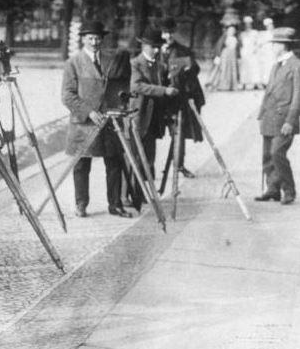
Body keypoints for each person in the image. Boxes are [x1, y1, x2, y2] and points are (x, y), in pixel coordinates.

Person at [62, 20, 132, 218]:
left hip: (109, 121)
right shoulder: (73, 63)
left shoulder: (110, 60)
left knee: (114, 162)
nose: (94, 42)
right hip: (84, 123)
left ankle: (115, 204)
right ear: (83, 39)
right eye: (90, 38)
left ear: (102, 39)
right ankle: (81, 204)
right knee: (82, 165)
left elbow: (119, 85)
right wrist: (89, 111)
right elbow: (67, 95)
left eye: (97, 38)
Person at [255, 27, 300, 205]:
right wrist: (261, 112)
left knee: (277, 153)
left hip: (284, 118)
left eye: (274, 44)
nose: (272, 47)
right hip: (269, 116)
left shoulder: (296, 65)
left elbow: (298, 96)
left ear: (283, 45)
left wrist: (290, 121)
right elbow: (269, 91)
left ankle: (289, 190)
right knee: (267, 155)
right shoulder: (277, 64)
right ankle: (273, 189)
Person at [160, 17, 205, 178]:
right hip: (157, 98)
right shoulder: (154, 49)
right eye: (165, 32)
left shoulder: (183, 50)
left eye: (170, 32)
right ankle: (147, 168)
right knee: (148, 134)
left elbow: (195, 70)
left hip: (177, 99)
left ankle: (179, 165)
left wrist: (188, 68)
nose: (168, 36)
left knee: (178, 132)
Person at [130, 26, 179, 175]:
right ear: (144, 46)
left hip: (154, 118)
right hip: (139, 115)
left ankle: (148, 194)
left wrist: (172, 83)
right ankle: (134, 194)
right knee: (136, 157)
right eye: (153, 47)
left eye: (159, 47)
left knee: (150, 157)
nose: (157, 51)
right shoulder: (135, 64)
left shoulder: (160, 65)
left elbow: (168, 82)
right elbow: (137, 86)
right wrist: (163, 91)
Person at [209, 23, 240, 91]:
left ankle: (232, 86)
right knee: (224, 69)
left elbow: (237, 48)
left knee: (233, 70)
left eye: (233, 30)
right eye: (230, 30)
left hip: (233, 56)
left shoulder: (235, 38)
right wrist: (218, 56)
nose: (232, 32)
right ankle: (223, 85)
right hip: (225, 55)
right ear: (227, 31)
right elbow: (219, 47)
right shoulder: (224, 37)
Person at [239, 16, 260, 90]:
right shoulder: (242, 34)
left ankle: (255, 83)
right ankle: (244, 83)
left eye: (249, 24)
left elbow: (258, 43)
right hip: (245, 52)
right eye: (246, 24)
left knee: (254, 67)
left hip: (253, 52)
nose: (248, 25)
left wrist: (255, 49)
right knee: (244, 68)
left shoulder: (255, 33)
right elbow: (241, 44)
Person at [256, 17, 276, 88]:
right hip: (266, 52)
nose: (271, 26)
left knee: (273, 66)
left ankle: (273, 82)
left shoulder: (275, 33)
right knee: (266, 67)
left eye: (271, 25)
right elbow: (259, 44)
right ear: (266, 26)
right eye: (269, 25)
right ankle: (266, 82)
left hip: (273, 52)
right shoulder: (263, 34)